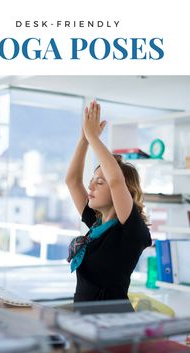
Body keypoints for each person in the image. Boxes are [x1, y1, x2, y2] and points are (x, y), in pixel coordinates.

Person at [65, 100, 152, 303]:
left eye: (100, 182)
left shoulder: (130, 231)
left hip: (110, 325)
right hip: (86, 322)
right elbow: (72, 180)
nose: (91, 187)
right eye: (92, 180)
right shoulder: (97, 224)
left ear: (119, 191)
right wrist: (84, 139)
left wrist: (94, 137)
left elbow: (116, 180)